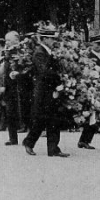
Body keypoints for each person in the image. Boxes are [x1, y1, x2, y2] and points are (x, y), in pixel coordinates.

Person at [22, 26, 69, 157]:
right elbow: (44, 72)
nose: (53, 41)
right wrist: (58, 81)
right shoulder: (40, 52)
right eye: (51, 38)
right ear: (45, 39)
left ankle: (52, 148)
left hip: (49, 89)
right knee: (42, 119)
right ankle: (30, 142)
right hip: (44, 91)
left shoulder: (47, 51)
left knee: (52, 119)